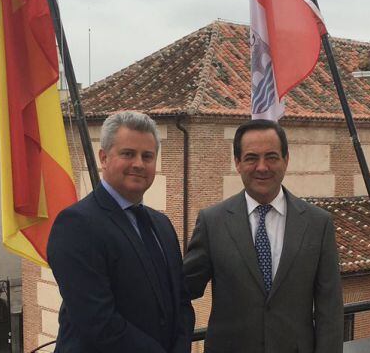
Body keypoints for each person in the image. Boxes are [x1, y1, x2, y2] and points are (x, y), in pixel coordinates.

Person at [184, 119, 343, 353]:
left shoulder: (318, 224)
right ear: (237, 163)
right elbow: (183, 289)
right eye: (251, 158)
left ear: (286, 160)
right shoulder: (212, 222)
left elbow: (329, 309)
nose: (262, 167)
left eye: (271, 157)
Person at [48, 111, 194, 352]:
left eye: (147, 156)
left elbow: (181, 303)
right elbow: (98, 321)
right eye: (128, 154)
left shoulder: (162, 225)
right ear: (104, 158)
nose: (139, 164)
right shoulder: (76, 225)